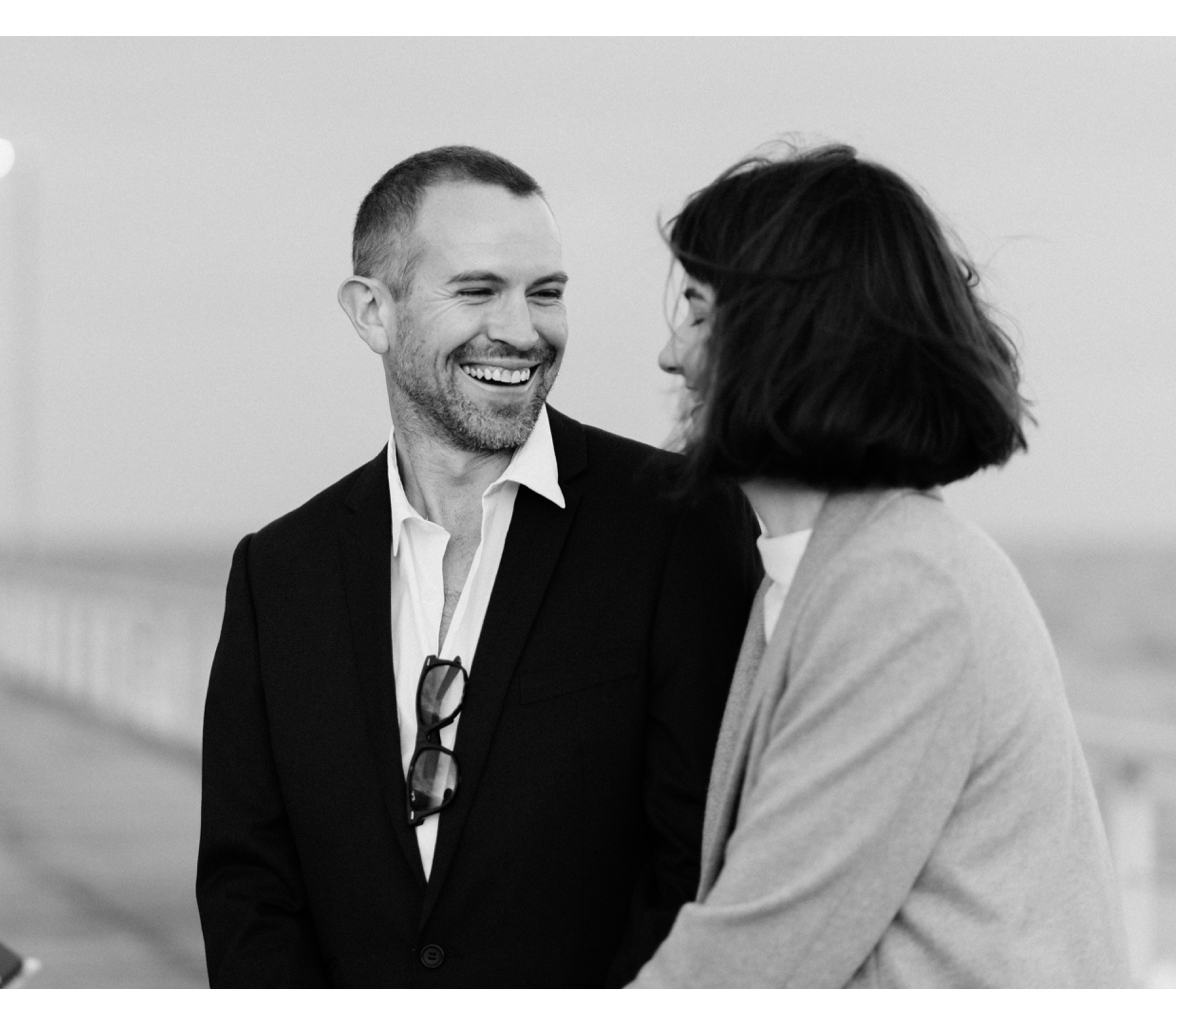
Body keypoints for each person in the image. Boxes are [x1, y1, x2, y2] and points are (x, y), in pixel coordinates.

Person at [195, 145, 762, 986]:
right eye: (477, 291)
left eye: (546, 293)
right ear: (372, 312)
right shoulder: (278, 573)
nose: (523, 330)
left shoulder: (680, 523)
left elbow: (703, 864)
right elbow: (248, 883)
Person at [631, 143, 1133, 987]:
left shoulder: (903, 590)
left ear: (784, 335)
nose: (670, 354)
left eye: (699, 309)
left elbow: (754, 963)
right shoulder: (812, 576)